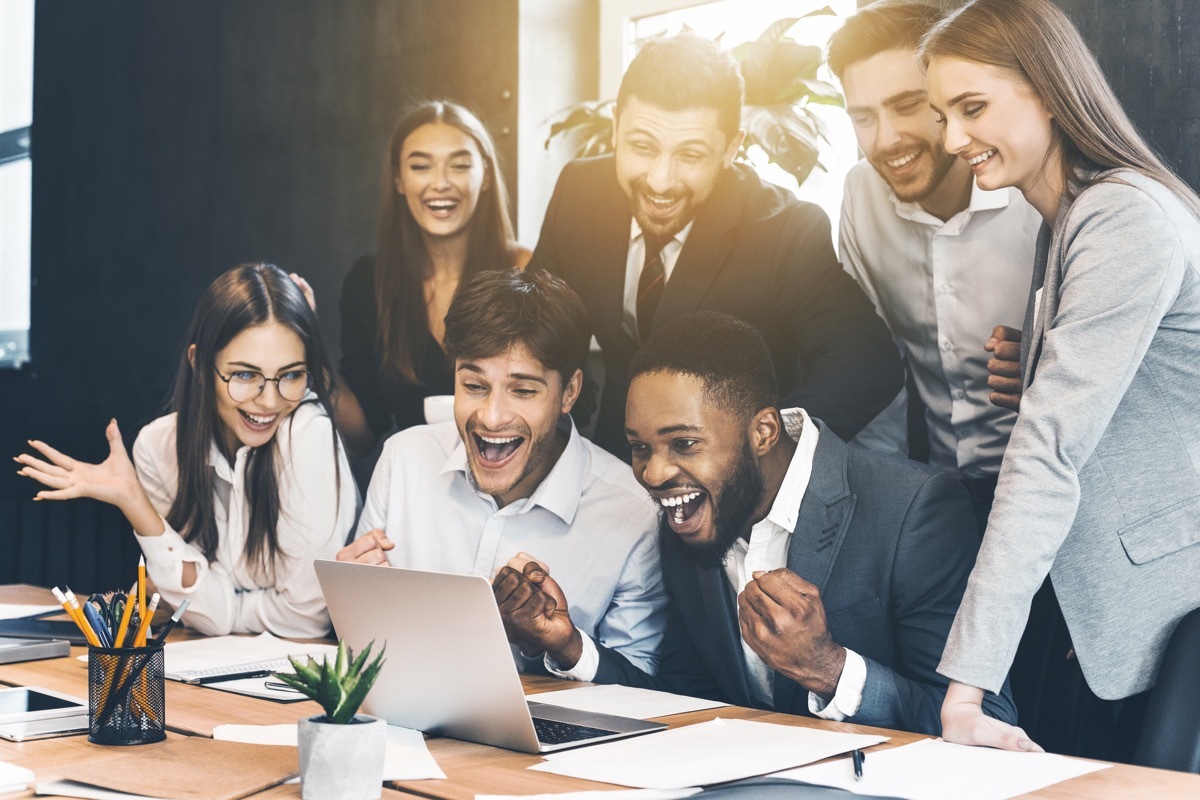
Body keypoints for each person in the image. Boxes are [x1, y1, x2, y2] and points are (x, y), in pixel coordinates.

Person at [500, 312, 1016, 735]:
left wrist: (829, 669)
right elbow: (689, 699)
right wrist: (568, 647)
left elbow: (985, 721)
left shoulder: (913, 509)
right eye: (639, 448)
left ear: (764, 431)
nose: (653, 474)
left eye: (684, 444)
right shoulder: (686, 518)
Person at [922, 0, 1200, 757]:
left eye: (972, 107)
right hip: (1102, 618)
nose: (952, 140)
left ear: (1047, 88)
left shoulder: (1121, 219)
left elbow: (1047, 451)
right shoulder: (1068, 222)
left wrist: (967, 690)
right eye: (944, 115)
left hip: (1167, 621)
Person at [528, 34, 902, 458]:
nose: (660, 181)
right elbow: (539, 332)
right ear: (616, 126)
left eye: (690, 155)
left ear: (730, 148)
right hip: (614, 461)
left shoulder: (785, 229)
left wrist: (756, 449)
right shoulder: (578, 191)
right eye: (642, 147)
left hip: (736, 482)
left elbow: (868, 364)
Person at [337, 268, 666, 677]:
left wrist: (566, 645)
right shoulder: (403, 459)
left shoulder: (633, 512)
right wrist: (352, 598)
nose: (491, 418)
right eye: (474, 386)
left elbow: (643, 686)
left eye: (523, 390)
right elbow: (356, 649)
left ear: (569, 392)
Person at [16, 263, 358, 638]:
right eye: (244, 375)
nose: (269, 400)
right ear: (198, 364)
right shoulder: (158, 446)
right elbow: (194, 610)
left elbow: (303, 620)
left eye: (291, 375)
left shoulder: (309, 434)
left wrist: (222, 609)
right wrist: (134, 502)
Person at [827, 0, 1042, 530]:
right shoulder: (860, 193)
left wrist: (1046, 359)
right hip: (936, 491)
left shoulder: (1036, 197)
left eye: (906, 105)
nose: (885, 140)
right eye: (863, 117)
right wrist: (884, 512)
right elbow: (875, 365)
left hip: (1053, 484)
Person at [324, 101, 531, 456]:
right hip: (415, 490)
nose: (441, 183)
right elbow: (360, 435)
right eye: (420, 166)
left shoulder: (526, 269)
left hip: (513, 486)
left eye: (460, 165)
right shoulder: (368, 282)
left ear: (486, 176)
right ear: (399, 181)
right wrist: (305, 350)